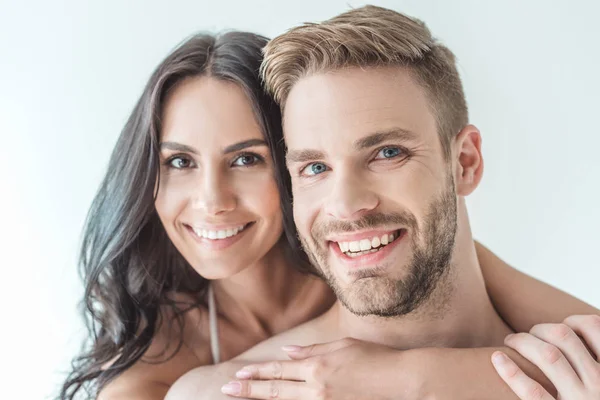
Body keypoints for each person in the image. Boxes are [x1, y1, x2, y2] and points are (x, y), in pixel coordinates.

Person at [61, 26, 595, 400]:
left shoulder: (383, 255)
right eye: (179, 160)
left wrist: (408, 379)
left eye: (248, 158)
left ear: (465, 163)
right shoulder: (182, 375)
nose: (211, 199)